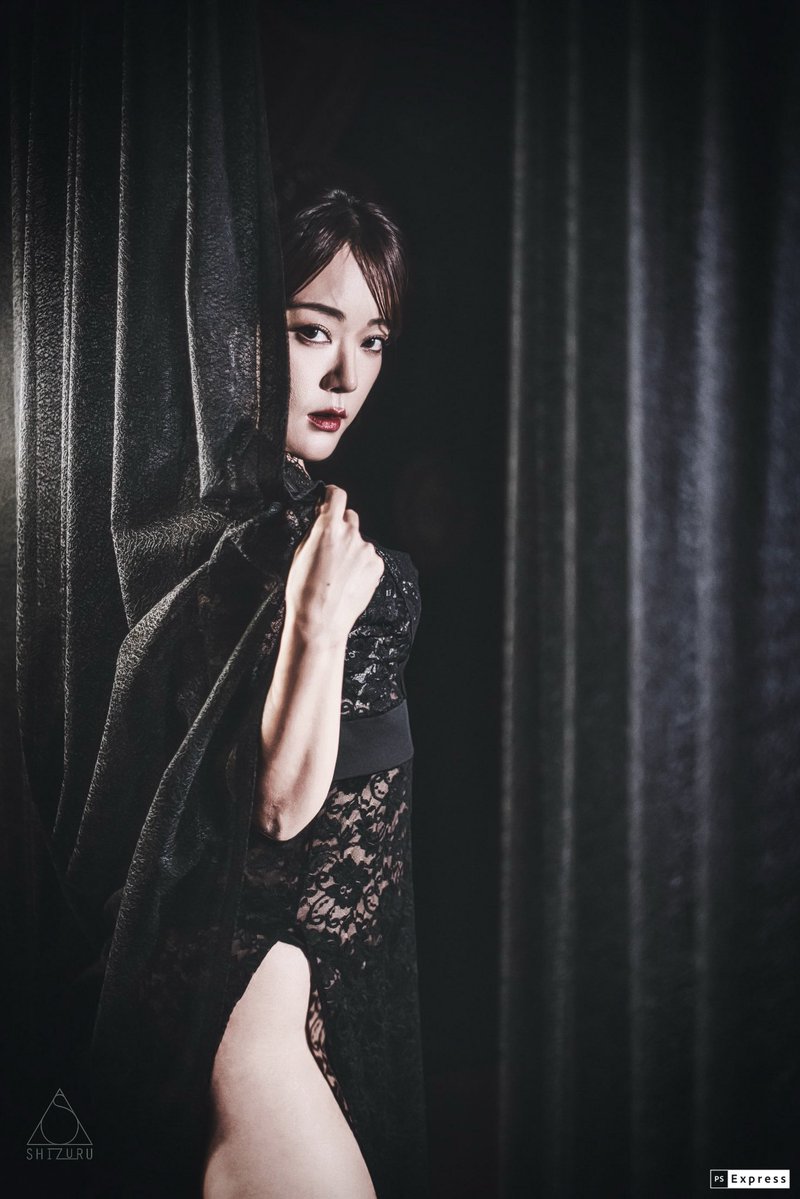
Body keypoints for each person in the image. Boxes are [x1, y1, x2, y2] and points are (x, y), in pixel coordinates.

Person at [200, 186, 428, 1198]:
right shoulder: (278, 543)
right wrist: (319, 620)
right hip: (263, 1014)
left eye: (372, 341)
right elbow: (279, 808)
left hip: (288, 1004)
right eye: (311, 331)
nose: (346, 374)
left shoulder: (255, 516)